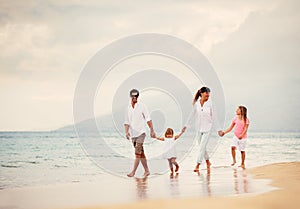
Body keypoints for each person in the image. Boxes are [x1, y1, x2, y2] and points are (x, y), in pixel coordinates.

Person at [182, 87, 223, 172]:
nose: (208, 95)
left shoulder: (211, 104)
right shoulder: (196, 104)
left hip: (208, 128)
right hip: (198, 128)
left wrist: (218, 129)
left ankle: (197, 164)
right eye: (206, 93)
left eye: (209, 93)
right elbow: (192, 115)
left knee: (202, 146)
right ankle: (208, 162)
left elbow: (214, 117)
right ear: (201, 93)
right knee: (202, 147)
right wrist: (186, 125)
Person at [124, 89, 156, 177]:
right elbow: (126, 122)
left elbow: (148, 119)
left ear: (138, 96)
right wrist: (126, 132)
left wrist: (152, 130)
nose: (135, 98)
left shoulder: (142, 106)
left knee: (137, 153)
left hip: (141, 133)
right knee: (141, 153)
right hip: (133, 134)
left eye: (136, 96)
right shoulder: (128, 108)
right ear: (130, 96)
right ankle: (147, 171)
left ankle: (133, 172)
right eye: (133, 96)